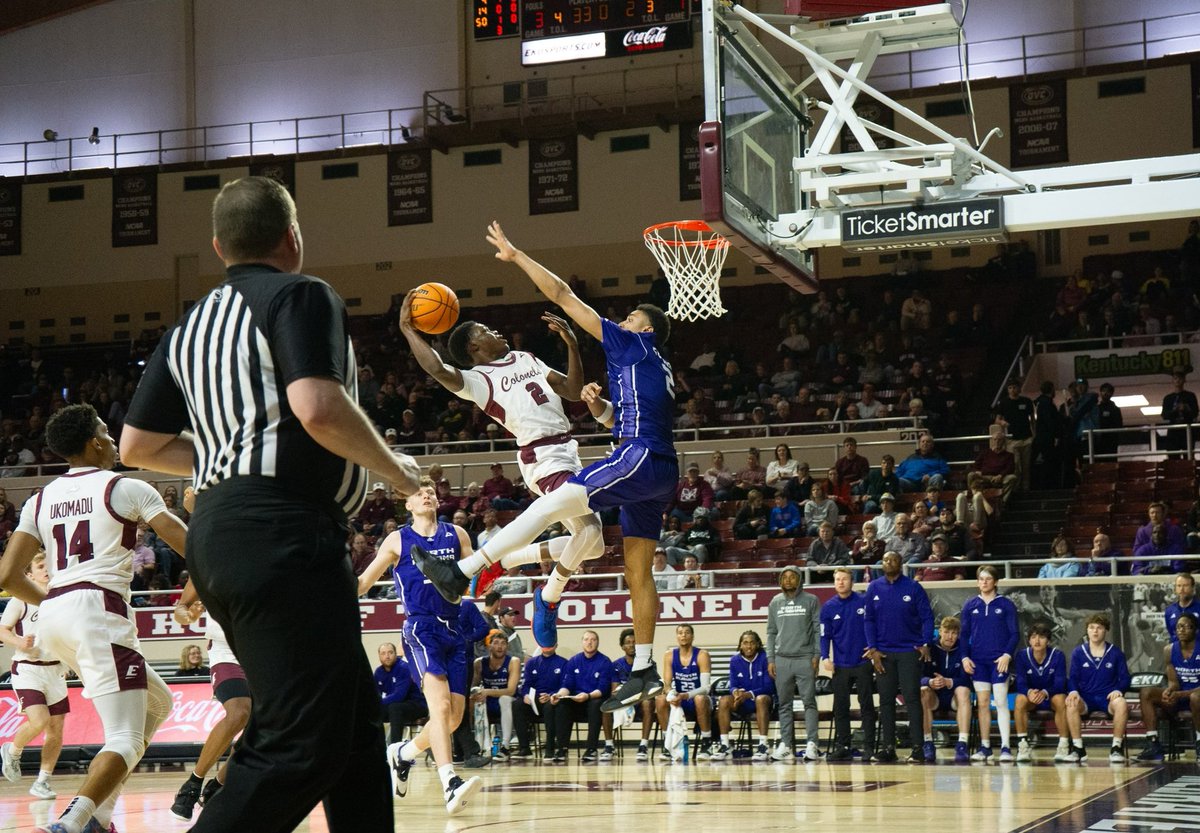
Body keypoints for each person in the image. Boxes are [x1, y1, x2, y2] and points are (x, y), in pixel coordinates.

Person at [118, 176, 421, 832]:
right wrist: (395, 471)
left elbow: (136, 443)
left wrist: (226, 451)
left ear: (218, 245)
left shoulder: (189, 325)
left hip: (221, 530)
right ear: (293, 236)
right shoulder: (301, 293)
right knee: (300, 741)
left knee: (356, 729)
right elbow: (316, 407)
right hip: (282, 530)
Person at [414, 221, 678, 713]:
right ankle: (644, 666)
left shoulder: (630, 344)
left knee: (567, 513)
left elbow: (560, 292)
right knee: (636, 570)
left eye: (629, 318)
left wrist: (516, 256)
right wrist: (599, 407)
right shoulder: (654, 363)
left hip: (637, 455)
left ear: (644, 330)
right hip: (659, 468)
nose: (620, 321)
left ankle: (467, 569)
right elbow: (613, 413)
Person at [0, 404, 188, 833]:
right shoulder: (126, 487)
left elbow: (8, 575)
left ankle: (100, 816)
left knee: (158, 704)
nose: (112, 438)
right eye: (106, 430)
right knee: (124, 736)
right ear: (94, 442)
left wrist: (48, 603)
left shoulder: (38, 498)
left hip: (55, 617)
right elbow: (188, 546)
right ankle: (73, 822)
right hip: (98, 611)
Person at [354, 479, 482, 815]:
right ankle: (450, 782)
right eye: (418, 493)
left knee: (453, 719)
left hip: (455, 629)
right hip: (421, 628)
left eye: (430, 492)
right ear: (407, 506)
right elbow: (364, 583)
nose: (426, 495)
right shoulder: (397, 539)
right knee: (438, 710)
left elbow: (476, 578)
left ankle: (403, 753)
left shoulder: (457, 535)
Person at [168, 583, 252, 821]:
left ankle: (217, 786)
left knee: (262, 730)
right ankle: (192, 785)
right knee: (238, 711)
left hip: (261, 650)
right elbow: (180, 609)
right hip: (226, 652)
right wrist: (189, 615)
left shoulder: (272, 555)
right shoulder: (207, 556)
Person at [0, 553, 68, 801]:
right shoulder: (21, 599)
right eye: (40, 566)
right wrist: (19, 641)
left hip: (55, 669)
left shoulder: (63, 598)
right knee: (39, 720)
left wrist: (69, 658)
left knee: (56, 730)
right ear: (29, 575)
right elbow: (2, 630)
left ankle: (42, 781)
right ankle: (13, 750)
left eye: (49, 564)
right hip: (28, 668)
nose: (46, 569)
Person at [864, 551, 934, 762]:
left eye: (893, 559)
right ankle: (888, 748)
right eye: (885, 559)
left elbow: (927, 617)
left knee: (912, 700)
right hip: (883, 653)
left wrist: (925, 642)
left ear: (900, 563)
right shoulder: (874, 587)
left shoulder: (913, 587)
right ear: (881, 564)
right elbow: (868, 621)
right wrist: (873, 649)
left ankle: (917, 748)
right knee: (885, 701)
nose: (889, 562)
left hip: (908, 652)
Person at [960, 565, 1019, 762]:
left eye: (988, 578)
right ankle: (985, 747)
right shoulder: (970, 605)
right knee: (983, 703)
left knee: (1001, 702)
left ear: (995, 581)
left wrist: (1007, 655)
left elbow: (1014, 634)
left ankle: (1005, 747)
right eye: (981, 578)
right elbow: (964, 635)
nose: (984, 582)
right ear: (977, 582)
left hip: (998, 661)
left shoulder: (1006, 605)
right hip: (978, 662)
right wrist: (964, 657)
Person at [765, 565, 822, 762]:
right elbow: (771, 632)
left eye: (792, 577)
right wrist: (770, 658)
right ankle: (786, 745)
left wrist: (817, 654)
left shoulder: (811, 600)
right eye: (785, 577)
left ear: (799, 580)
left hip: (805, 657)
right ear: (780, 581)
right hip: (782, 659)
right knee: (784, 705)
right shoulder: (775, 602)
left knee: (809, 702)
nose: (788, 580)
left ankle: (812, 744)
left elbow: (816, 629)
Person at [820, 567, 877, 761]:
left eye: (844, 579)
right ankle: (843, 746)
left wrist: (873, 648)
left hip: (862, 663)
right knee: (840, 707)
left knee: (867, 706)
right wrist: (825, 657)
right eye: (837, 579)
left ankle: (869, 747)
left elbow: (875, 626)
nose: (841, 582)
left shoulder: (863, 601)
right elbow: (824, 635)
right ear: (834, 582)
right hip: (840, 665)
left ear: (852, 582)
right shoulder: (828, 607)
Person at [1065, 613, 1131, 763]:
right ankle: (1078, 749)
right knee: (1071, 703)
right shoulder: (1078, 652)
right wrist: (1074, 691)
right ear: (1087, 630)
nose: (1095, 631)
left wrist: (1119, 690)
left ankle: (1116, 748)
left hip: (1107, 697)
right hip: (1086, 697)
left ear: (1105, 631)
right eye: (1091, 628)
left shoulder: (1115, 652)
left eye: (1099, 628)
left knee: (1121, 703)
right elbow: (1073, 677)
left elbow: (1125, 678)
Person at [1136, 612, 1200, 761]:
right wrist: (1169, 691)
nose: (1181, 630)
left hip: (1197, 698)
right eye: (1178, 627)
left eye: (1186, 627)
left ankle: (1199, 741)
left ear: (1195, 630)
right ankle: (1153, 744)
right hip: (1180, 697)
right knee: (1146, 692)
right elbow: (1173, 681)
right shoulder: (1169, 650)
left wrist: (1181, 694)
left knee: (1195, 697)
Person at [711, 630, 775, 761]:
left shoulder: (765, 658)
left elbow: (769, 687)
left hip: (762, 701)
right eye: (745, 643)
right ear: (740, 645)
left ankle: (763, 745)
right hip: (742, 701)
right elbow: (733, 684)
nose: (749, 646)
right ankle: (725, 746)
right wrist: (735, 693)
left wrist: (748, 694)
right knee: (724, 700)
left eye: (752, 643)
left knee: (761, 698)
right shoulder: (735, 660)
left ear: (758, 644)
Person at [1011, 621, 1069, 763]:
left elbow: (1060, 683)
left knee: (1061, 699)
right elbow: (1020, 682)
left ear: (1048, 641)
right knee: (1019, 699)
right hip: (1032, 697)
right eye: (1033, 637)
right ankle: (1023, 745)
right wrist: (1029, 692)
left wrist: (1044, 692)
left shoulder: (1058, 655)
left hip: (1050, 696)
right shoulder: (1022, 656)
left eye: (1041, 637)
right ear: (1029, 640)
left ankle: (1064, 745)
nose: (1037, 641)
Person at [656, 624, 714, 760]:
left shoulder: (702, 655)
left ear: (692, 636)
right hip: (681, 700)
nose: (683, 635)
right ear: (676, 636)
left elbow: (706, 688)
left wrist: (685, 695)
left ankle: (707, 742)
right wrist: (672, 693)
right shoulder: (669, 655)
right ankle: (667, 743)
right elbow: (667, 684)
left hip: (699, 700)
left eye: (687, 632)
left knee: (700, 698)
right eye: (680, 633)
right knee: (660, 699)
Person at [552, 630, 612, 762]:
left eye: (593, 640)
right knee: (562, 704)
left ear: (597, 642)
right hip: (576, 700)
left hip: (592, 699)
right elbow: (567, 685)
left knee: (596, 704)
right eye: (586, 639)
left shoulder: (605, 661)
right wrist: (559, 694)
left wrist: (588, 696)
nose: (589, 642)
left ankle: (591, 749)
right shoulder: (574, 661)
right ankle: (562, 749)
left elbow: (603, 689)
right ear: (582, 642)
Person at [919, 616, 971, 763]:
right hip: (934, 696)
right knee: (923, 690)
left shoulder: (964, 648)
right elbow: (918, 676)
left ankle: (962, 744)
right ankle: (928, 743)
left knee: (964, 690)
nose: (950, 636)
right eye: (947, 632)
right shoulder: (929, 649)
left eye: (954, 633)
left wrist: (949, 681)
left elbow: (967, 680)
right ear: (940, 631)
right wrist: (930, 681)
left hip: (954, 696)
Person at [609, 628, 656, 761]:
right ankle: (609, 745)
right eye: (628, 642)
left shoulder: (648, 663)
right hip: (623, 700)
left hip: (641, 701)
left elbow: (650, 689)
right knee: (604, 705)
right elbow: (615, 690)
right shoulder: (616, 665)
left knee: (648, 702)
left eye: (634, 642)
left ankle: (643, 745)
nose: (631, 645)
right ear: (623, 646)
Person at [472, 631, 520, 761]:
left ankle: (505, 747)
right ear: (489, 646)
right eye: (496, 643)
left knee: (504, 699)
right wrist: (476, 694)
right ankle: (475, 746)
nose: (500, 646)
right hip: (489, 702)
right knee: (473, 702)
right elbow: (473, 687)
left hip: (509, 702)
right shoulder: (479, 663)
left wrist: (486, 691)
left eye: (503, 643)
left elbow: (510, 691)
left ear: (507, 647)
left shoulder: (513, 661)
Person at [517, 643, 569, 761]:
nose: (547, 646)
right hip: (533, 699)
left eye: (550, 643)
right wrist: (525, 695)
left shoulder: (563, 663)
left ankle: (550, 748)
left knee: (550, 707)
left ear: (556, 645)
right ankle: (524, 748)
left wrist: (551, 695)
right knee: (517, 705)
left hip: (552, 698)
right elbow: (526, 685)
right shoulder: (531, 663)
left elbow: (564, 685)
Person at [373, 642, 428, 746]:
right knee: (373, 711)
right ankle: (379, 749)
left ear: (395, 654)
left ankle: (395, 748)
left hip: (417, 705)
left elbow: (399, 696)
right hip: (395, 706)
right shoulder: (378, 672)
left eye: (390, 653)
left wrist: (378, 702)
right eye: (383, 653)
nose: (387, 656)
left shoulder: (403, 668)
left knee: (395, 707)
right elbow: (375, 695)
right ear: (379, 656)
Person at [993, 380, 1034, 492]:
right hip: (1011, 439)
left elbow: (1032, 418)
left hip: (1026, 437)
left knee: (1026, 466)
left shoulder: (1026, 401)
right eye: (1010, 388)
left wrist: (1034, 434)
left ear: (1019, 389)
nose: (1012, 390)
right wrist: (1003, 423)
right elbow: (997, 419)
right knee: (1015, 466)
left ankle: (1026, 488)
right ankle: (1016, 489)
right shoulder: (1003, 402)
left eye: (1014, 387)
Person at [1162, 370, 1198, 457]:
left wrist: (1186, 408)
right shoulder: (1168, 398)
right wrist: (1175, 411)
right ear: (1172, 381)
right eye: (1175, 378)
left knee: (1188, 455)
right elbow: (1164, 415)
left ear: (1184, 380)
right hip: (1173, 432)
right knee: (1173, 456)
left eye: (1180, 378)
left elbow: (1195, 413)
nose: (1177, 380)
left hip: (1187, 430)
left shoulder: (1190, 396)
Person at [1165, 572, 1200, 644]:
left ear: (1193, 588)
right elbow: (1171, 632)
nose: (1182, 589)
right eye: (1179, 586)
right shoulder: (1169, 610)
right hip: (1176, 652)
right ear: (1175, 588)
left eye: (1185, 585)